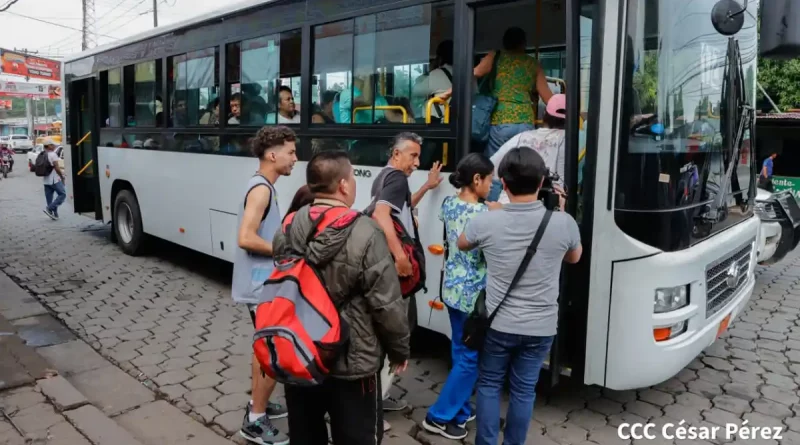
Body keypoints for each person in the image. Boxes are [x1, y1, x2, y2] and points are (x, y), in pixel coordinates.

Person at [277, 150, 410, 445]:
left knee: (305, 436)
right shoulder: (367, 231)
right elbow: (386, 304)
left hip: (300, 352)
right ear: (343, 185)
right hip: (353, 361)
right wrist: (399, 350)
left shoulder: (288, 225)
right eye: (352, 176)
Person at [457, 148, 582, 445]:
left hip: (499, 324)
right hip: (541, 328)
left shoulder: (487, 221)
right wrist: (561, 211)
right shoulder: (563, 223)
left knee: (488, 384)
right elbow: (574, 258)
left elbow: (462, 244)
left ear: (503, 182)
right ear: (542, 183)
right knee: (524, 390)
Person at [423, 153, 499, 440]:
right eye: (489, 179)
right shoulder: (484, 215)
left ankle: (461, 410)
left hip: (452, 290)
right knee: (470, 357)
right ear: (477, 179)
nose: (492, 185)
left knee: (459, 349)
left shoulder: (449, 204)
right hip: (473, 295)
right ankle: (438, 416)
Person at [369, 132, 443, 430]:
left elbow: (400, 206)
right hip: (393, 272)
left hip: (385, 269)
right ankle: (371, 410)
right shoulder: (397, 177)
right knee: (396, 337)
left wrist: (427, 185)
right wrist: (401, 257)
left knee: (397, 332)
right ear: (396, 154)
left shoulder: (387, 175)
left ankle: (377, 396)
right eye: (412, 156)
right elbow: (381, 213)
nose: (417, 162)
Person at [231, 126, 298, 445]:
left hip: (263, 285)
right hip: (261, 287)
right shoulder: (261, 189)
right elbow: (246, 237)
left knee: (263, 347)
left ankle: (259, 402)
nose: (295, 158)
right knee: (272, 351)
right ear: (272, 155)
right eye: (291, 152)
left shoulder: (264, 185)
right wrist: (286, 249)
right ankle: (255, 420)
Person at [474, 27, 555, 157]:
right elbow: (547, 98)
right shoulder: (533, 64)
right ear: (523, 43)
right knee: (522, 164)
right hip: (525, 122)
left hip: (500, 120)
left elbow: (477, 72)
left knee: (495, 165)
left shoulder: (495, 57)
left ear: (504, 43)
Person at [489, 94, 567, 202]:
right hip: (548, 206)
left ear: (544, 114)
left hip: (507, 204)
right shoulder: (569, 139)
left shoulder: (521, 137)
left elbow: (490, 167)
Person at [413, 40, 454, 122]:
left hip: (438, 124)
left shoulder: (437, 74)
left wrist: (429, 73)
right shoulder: (469, 74)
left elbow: (415, 91)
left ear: (439, 58)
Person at [41, 138, 66, 220]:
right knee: (62, 194)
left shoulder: (42, 154)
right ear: (49, 146)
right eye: (53, 144)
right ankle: (49, 208)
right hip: (54, 179)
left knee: (49, 198)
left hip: (46, 180)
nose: (54, 146)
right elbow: (57, 168)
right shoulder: (53, 155)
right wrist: (62, 177)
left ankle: (54, 214)